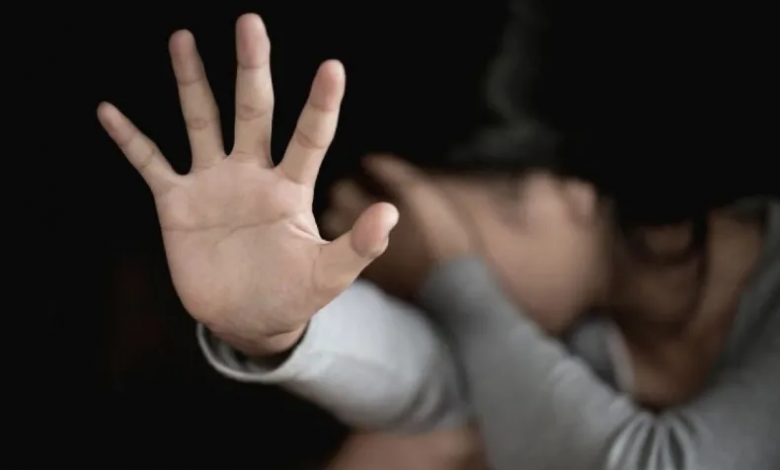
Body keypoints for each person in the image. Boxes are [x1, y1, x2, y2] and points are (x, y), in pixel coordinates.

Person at [98, 9, 779, 470]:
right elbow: (431, 374)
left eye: (415, 243)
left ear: (561, 188)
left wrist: (452, 273)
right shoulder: (580, 335)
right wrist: (275, 327)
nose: (417, 282)